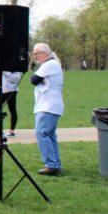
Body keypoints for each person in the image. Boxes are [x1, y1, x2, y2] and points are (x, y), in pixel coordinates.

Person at [31, 43, 64, 176]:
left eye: (36, 54)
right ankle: (56, 164)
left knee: (41, 133)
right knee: (50, 135)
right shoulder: (54, 64)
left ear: (44, 53)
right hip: (51, 105)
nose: (35, 57)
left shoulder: (49, 64)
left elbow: (34, 79)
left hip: (47, 106)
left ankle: (51, 164)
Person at [0, 70, 21, 137]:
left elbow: (16, 79)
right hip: (3, 90)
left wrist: (6, 72)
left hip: (12, 90)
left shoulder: (16, 67)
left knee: (12, 109)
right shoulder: (2, 65)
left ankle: (12, 131)